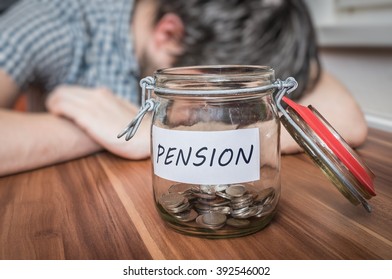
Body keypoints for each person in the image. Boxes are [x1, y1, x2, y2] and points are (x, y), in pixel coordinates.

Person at [0, 0, 367, 176]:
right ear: (169, 34)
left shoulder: (250, 36)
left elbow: (346, 119)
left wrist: (160, 138)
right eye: (208, 101)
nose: (215, 117)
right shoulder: (58, 19)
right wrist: (120, 133)